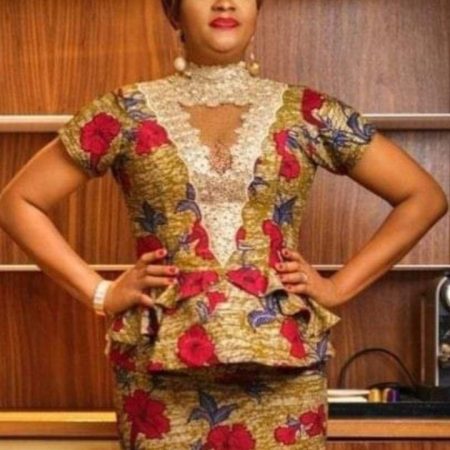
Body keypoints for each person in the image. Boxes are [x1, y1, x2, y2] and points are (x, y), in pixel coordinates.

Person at [0, 0, 447, 448]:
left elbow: (423, 197)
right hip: (159, 371)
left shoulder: (309, 112)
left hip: (284, 368)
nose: (224, 2)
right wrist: (101, 293)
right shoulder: (123, 112)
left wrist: (337, 288)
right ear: (174, 12)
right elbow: (18, 203)